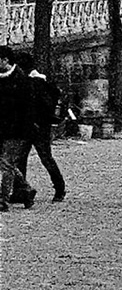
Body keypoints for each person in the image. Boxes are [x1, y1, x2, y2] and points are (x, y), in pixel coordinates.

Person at [17, 53, 66, 202]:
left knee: (40, 158)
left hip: (37, 126)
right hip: (35, 126)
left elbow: (42, 106)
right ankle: (22, 190)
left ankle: (59, 187)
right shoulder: (39, 81)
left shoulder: (35, 83)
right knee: (29, 158)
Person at [0, 47, 37, 210]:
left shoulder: (21, 79)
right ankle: (27, 190)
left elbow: (27, 108)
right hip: (3, 127)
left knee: (7, 163)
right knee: (7, 163)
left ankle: (3, 199)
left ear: (5, 60)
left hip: (17, 129)